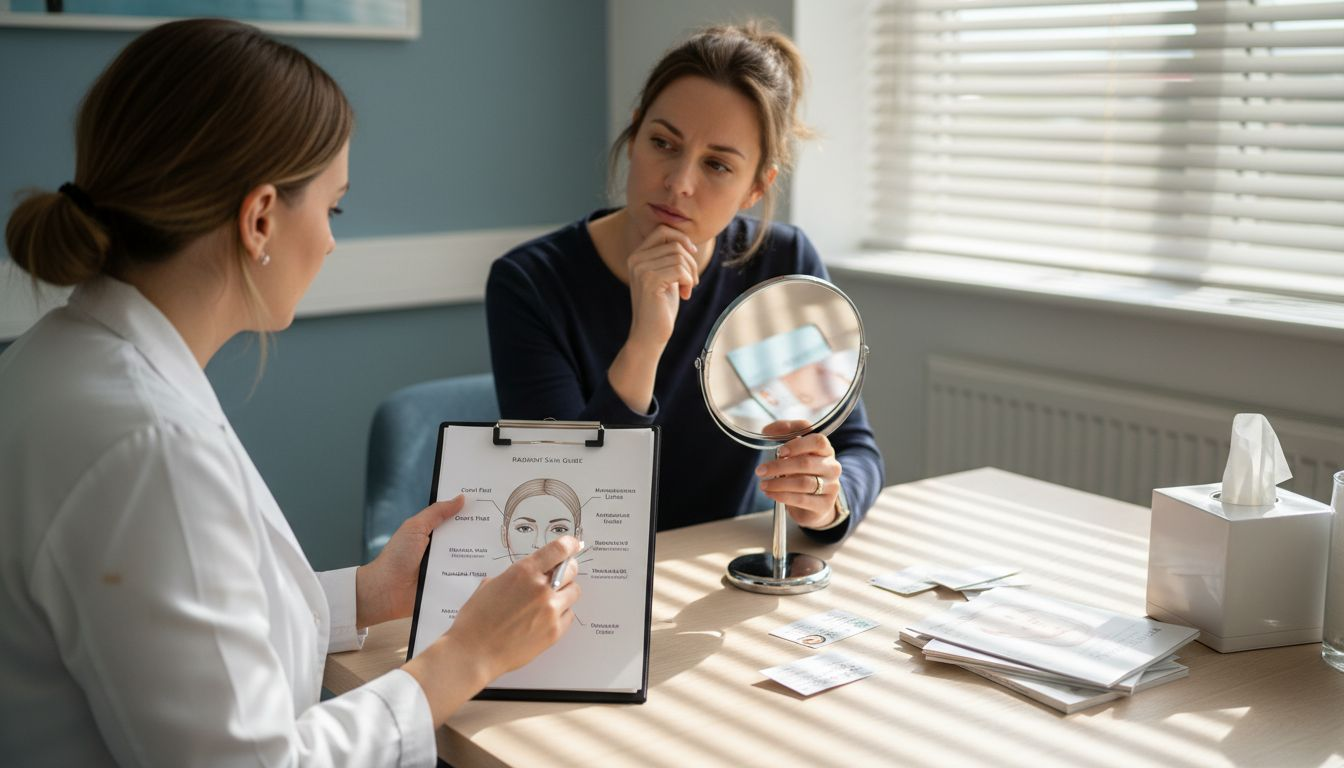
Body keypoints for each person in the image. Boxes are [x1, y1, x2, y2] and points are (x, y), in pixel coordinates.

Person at [0, 19, 580, 767]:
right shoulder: (149, 449)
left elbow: (181, 638)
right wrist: (466, 657)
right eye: (332, 208)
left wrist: (370, 594)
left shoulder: (60, 359)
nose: (334, 241)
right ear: (261, 217)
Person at [486, 22, 883, 540]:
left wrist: (827, 501)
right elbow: (566, 496)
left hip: (723, 574)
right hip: (591, 586)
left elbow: (854, 447)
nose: (679, 183)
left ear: (755, 189)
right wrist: (646, 341)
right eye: (663, 143)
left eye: (717, 165)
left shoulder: (781, 264)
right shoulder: (530, 283)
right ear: (634, 136)